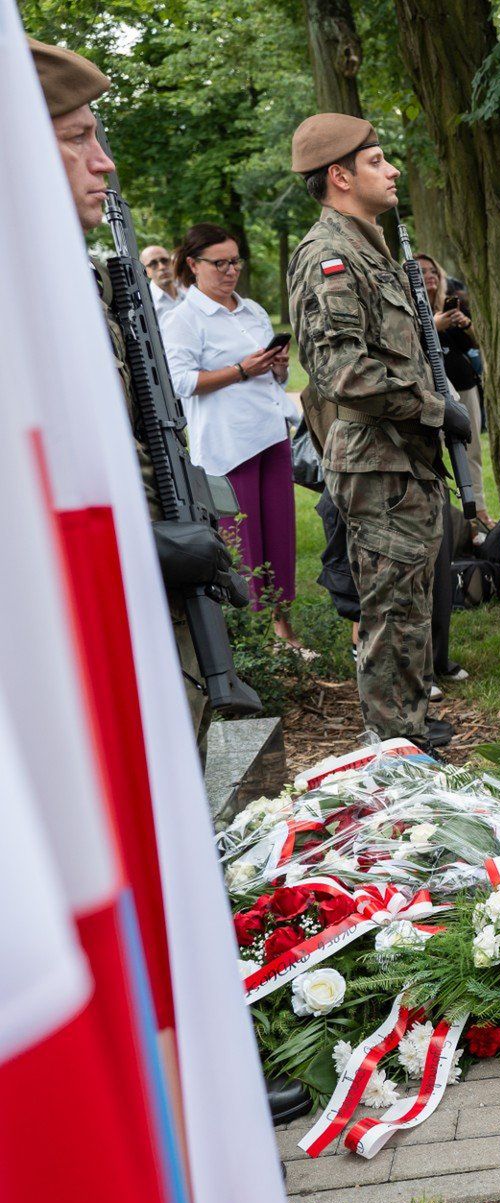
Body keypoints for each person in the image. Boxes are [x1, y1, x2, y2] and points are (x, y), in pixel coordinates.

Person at [33, 37, 237, 742]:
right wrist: (140, 545)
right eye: (76, 138)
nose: (105, 161)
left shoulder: (75, 280)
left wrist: (185, 528)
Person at [287, 113, 462, 751]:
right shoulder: (330, 254)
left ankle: (407, 721)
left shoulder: (368, 247)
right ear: (340, 176)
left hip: (401, 456)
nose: (391, 171)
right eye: (376, 161)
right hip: (376, 459)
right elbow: (342, 371)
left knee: (409, 598)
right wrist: (436, 409)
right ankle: (393, 743)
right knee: (389, 604)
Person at [160, 222, 300, 641]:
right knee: (242, 543)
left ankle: (283, 628)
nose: (229, 271)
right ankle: (248, 634)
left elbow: (273, 377)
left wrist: (277, 367)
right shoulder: (184, 319)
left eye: (235, 261)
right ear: (192, 264)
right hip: (227, 446)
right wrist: (241, 370)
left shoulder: (252, 310)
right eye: (219, 263)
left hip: (270, 433)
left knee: (279, 535)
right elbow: (181, 382)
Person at [416, 252, 488, 525]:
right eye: (421, 271)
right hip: (428, 392)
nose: (429, 275)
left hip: (463, 385)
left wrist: (464, 323)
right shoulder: (408, 307)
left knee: (472, 451)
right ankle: (442, 520)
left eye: (433, 270)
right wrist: (433, 326)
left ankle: (478, 514)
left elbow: (477, 343)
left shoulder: (453, 303)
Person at [142, 243, 184, 319]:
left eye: (165, 261)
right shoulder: (146, 305)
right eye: (153, 264)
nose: (162, 267)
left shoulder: (188, 290)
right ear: (146, 272)